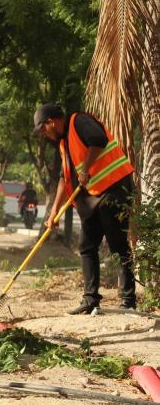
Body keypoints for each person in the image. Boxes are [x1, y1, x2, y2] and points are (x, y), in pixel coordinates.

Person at [33, 103, 136, 314]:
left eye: (43, 129)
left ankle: (128, 300)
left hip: (114, 189)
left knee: (118, 244)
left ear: (51, 121)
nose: (43, 134)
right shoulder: (64, 144)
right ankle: (90, 300)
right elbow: (64, 178)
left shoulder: (78, 121)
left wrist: (86, 168)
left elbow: (98, 140)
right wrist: (54, 213)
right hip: (93, 196)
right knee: (87, 246)